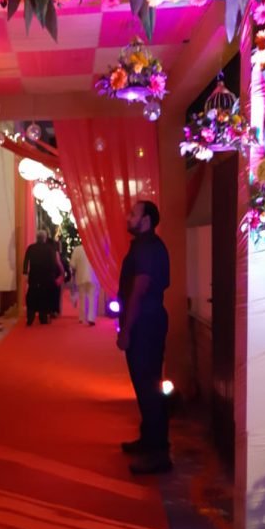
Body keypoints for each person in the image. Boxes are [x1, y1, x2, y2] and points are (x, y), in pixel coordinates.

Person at [116, 200, 171, 475]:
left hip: (145, 323)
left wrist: (126, 329)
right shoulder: (144, 245)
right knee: (144, 384)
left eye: (133, 214)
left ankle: (159, 453)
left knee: (148, 386)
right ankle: (149, 439)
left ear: (146, 220)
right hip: (145, 320)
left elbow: (139, 288)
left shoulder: (148, 247)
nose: (129, 217)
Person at [23, 229, 58, 325]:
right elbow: (53, 263)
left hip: (34, 275)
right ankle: (43, 318)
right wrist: (53, 275)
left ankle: (30, 318)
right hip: (46, 277)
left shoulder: (31, 248)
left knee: (32, 296)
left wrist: (25, 273)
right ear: (45, 238)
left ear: (37, 238)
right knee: (44, 296)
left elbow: (26, 261)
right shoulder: (49, 249)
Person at [70, 243, 100, 326]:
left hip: (81, 276)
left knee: (82, 297)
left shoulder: (77, 249)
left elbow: (72, 265)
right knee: (92, 298)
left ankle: (82, 317)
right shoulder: (96, 248)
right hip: (94, 276)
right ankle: (91, 318)